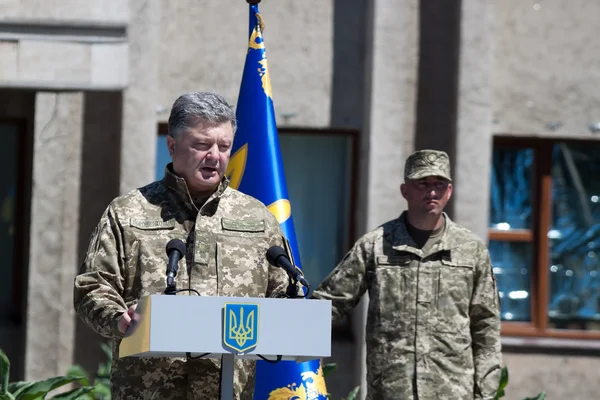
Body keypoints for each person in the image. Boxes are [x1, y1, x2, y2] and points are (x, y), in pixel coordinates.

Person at [74, 91, 294, 400]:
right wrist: (118, 319)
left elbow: (283, 292)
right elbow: (92, 287)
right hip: (147, 391)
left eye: (224, 146)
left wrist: (292, 308)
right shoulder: (128, 212)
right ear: (173, 146)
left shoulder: (257, 217)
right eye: (202, 144)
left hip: (228, 391)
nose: (215, 155)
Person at [311, 149, 502, 400]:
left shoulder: (471, 250)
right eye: (422, 183)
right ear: (405, 191)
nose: (432, 192)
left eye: (439, 184)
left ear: (449, 191)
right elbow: (329, 305)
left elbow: (486, 326)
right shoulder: (377, 245)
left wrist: (486, 394)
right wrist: (279, 335)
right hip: (391, 391)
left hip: (453, 391)